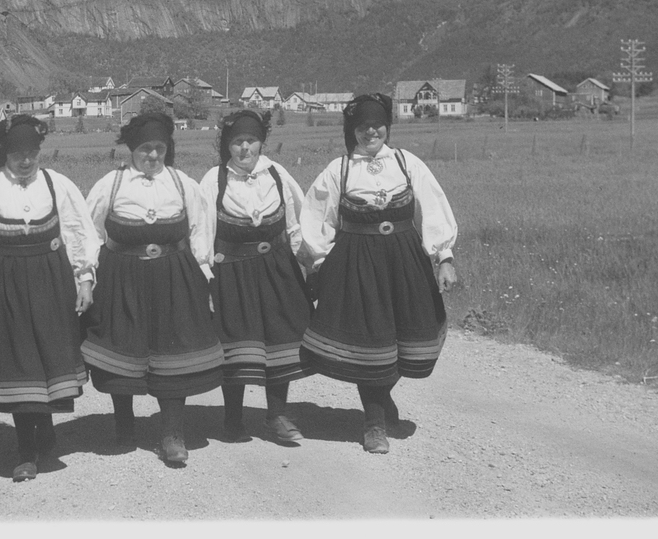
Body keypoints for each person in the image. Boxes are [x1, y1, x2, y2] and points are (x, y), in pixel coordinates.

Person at [0, 116, 101, 481]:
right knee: (18, 364)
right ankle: (26, 450)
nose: (26, 161)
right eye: (18, 154)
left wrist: (85, 279)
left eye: (32, 153)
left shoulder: (56, 184)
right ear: (4, 153)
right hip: (3, 284)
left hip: (51, 282)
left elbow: (80, 232)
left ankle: (43, 426)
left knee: (44, 357)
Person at [299, 93, 458, 454]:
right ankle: (373, 423)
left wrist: (444, 257)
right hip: (356, 263)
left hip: (405, 261)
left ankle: (382, 399)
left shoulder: (406, 163)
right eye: (363, 126)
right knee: (370, 341)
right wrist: (322, 264)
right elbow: (315, 217)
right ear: (352, 130)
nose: (371, 131)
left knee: (409, 335)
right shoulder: (339, 170)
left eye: (377, 124)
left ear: (388, 126)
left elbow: (432, 209)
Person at [80, 111, 223, 466]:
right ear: (132, 149)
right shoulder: (110, 185)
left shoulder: (181, 183)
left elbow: (200, 229)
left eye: (160, 148)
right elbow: (90, 232)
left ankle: (172, 433)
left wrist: (202, 272)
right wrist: (86, 274)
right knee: (120, 349)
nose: (153, 156)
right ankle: (124, 424)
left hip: (174, 277)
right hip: (120, 277)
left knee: (173, 355)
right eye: (146, 148)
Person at [199, 110, 316, 445]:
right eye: (237, 142)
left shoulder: (277, 175)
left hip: (277, 270)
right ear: (227, 146)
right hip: (232, 271)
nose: (244, 149)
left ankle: (276, 415)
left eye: (250, 141)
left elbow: (294, 224)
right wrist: (205, 275)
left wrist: (307, 263)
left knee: (280, 342)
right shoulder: (214, 180)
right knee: (236, 346)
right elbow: (202, 232)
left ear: (261, 142)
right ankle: (232, 420)